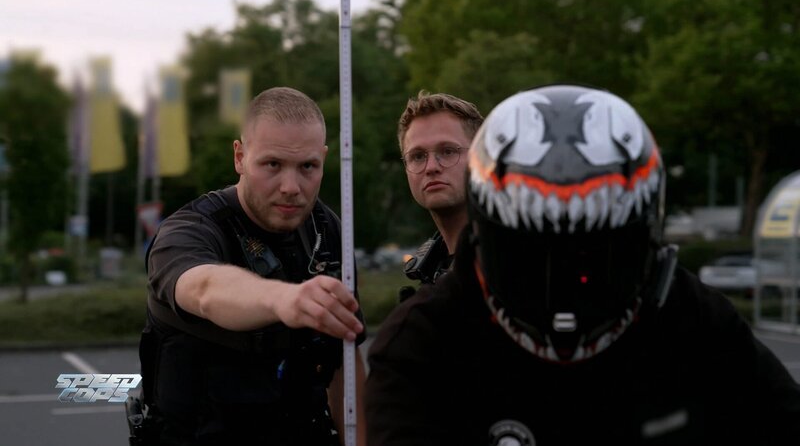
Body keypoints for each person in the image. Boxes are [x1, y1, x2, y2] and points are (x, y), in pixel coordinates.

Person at [365, 84, 800, 445]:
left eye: (592, 254)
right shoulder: (421, 341)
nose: (565, 282)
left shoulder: (695, 319)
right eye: (531, 254)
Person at [137, 87, 367, 445]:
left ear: (324, 158)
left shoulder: (328, 229)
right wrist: (283, 300)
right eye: (272, 165)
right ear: (240, 157)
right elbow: (204, 290)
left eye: (308, 166)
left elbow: (343, 362)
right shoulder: (189, 230)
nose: (292, 187)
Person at [396, 91, 483, 296]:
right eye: (417, 156)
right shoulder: (430, 269)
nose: (431, 167)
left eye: (448, 151)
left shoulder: (512, 261)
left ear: (481, 158)